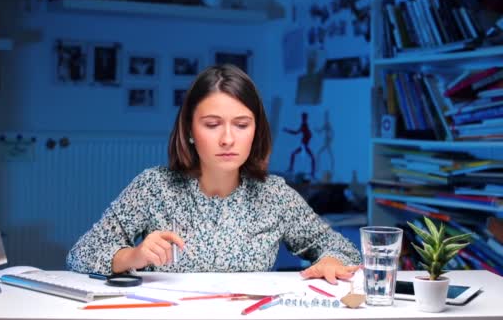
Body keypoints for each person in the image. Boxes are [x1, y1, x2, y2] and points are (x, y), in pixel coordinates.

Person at [67, 64, 360, 284]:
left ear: (256, 131)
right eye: (212, 124)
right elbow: (81, 253)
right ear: (190, 131)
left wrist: (330, 261)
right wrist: (133, 255)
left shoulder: (275, 194)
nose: (228, 139)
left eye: (242, 124)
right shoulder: (153, 186)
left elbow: (342, 250)